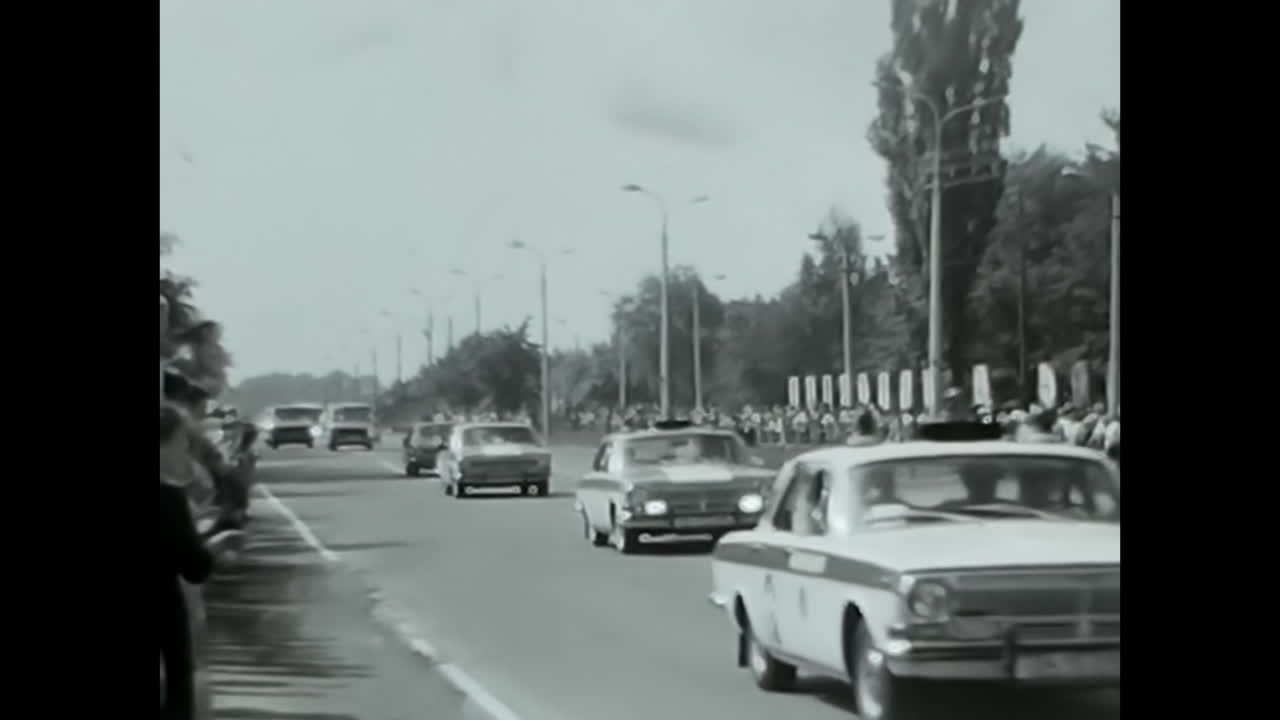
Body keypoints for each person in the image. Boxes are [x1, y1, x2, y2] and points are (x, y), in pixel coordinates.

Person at [159, 404, 240, 720]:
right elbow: (194, 567)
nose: (185, 449)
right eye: (182, 440)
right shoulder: (168, 499)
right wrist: (216, 546)